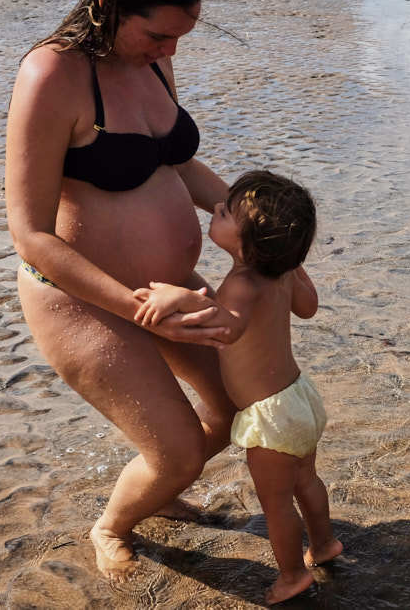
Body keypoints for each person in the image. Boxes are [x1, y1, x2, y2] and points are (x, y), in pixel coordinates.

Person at [4, 0, 239, 579]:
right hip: (82, 299)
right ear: (109, 4)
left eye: (180, 38)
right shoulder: (51, 73)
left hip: (164, 288)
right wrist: (141, 309)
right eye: (159, 36)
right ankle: (114, 523)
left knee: (242, 406)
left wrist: (256, 224)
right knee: (179, 452)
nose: (168, 51)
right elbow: (31, 234)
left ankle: (157, 489)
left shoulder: (154, 57)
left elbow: (178, 161)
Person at [133, 171, 343, 604]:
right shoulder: (281, 274)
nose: (216, 207)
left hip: (269, 417)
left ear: (249, 243)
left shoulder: (242, 283)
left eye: (226, 211)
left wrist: (183, 297)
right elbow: (310, 306)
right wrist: (291, 260)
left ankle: (290, 576)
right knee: (306, 480)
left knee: (277, 505)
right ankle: (323, 545)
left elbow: (226, 330)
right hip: (299, 399)